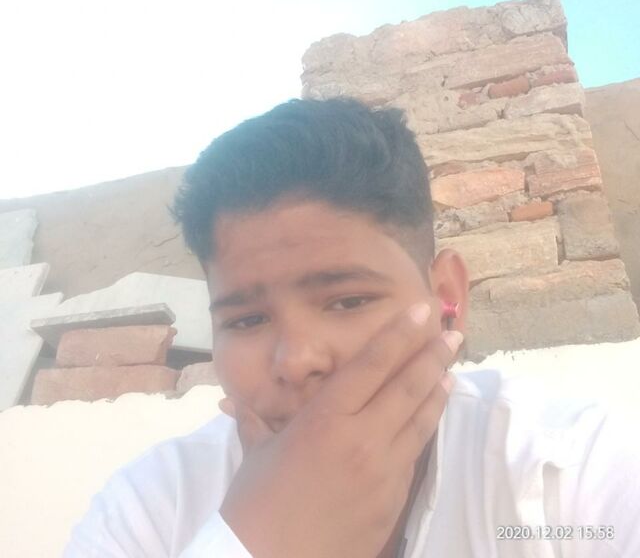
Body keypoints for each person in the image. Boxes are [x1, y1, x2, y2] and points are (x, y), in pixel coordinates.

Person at [63, 98, 640, 557]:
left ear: (447, 300)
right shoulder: (150, 507)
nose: (296, 360)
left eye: (348, 301)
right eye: (247, 319)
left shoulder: (568, 470)